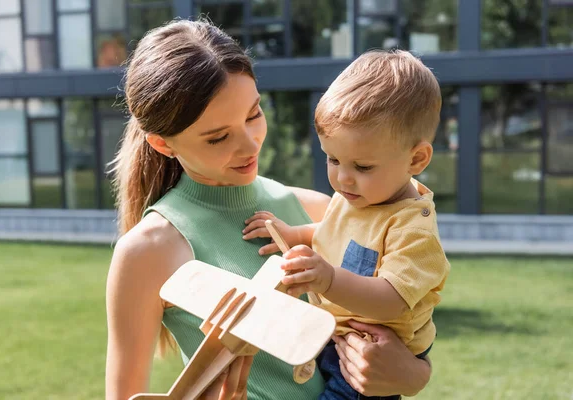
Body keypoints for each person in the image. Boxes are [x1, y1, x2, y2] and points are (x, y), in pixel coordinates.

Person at [105, 20, 433, 400]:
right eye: (218, 137)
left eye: (253, 114)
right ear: (163, 144)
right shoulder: (147, 251)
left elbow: (398, 321)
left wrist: (414, 375)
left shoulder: (318, 209)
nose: (249, 145)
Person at [243, 50, 450, 400]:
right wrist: (293, 234)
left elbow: (391, 301)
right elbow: (333, 236)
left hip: (369, 356)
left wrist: (329, 279)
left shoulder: (412, 227)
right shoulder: (356, 198)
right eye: (333, 159)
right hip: (334, 336)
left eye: (362, 166)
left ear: (416, 159)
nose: (343, 178)